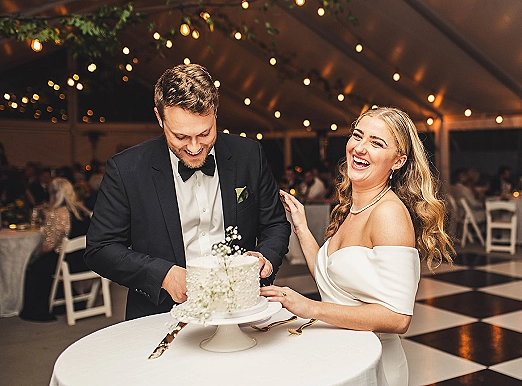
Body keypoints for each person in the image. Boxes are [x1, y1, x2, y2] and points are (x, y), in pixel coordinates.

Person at [262, 106, 454, 386]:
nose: (360, 148)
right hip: (344, 354)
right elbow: (330, 281)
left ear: (398, 161)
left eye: (377, 143)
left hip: (376, 365)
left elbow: (398, 317)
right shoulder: (352, 208)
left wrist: (310, 308)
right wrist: (301, 226)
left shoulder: (388, 214)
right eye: (358, 136)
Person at [84, 64, 291, 320]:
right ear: (159, 118)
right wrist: (163, 274)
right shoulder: (127, 169)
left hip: (241, 310)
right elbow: (100, 248)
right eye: (181, 136)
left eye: (204, 133)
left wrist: (265, 257)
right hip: (160, 315)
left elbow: (275, 224)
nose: (194, 147)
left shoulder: (248, 155)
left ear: (215, 113)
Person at [19, 178, 91, 322]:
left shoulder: (57, 213)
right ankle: (70, 300)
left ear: (53, 193)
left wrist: (33, 255)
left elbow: (48, 246)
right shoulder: (82, 210)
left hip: (66, 262)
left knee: (33, 267)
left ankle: (36, 309)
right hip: (84, 260)